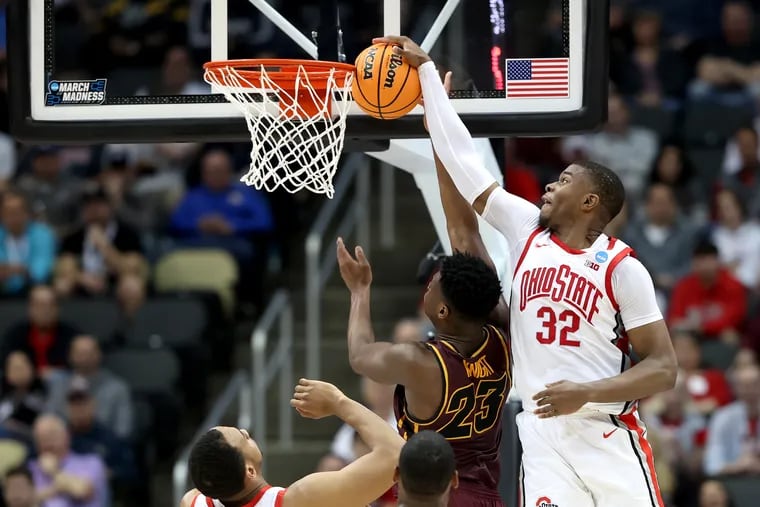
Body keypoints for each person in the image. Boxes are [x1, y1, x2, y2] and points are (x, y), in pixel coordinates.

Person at [375, 35, 678, 507]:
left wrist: (587, 392)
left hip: (604, 432)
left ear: (589, 202)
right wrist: (430, 82)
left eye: (565, 180)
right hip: (540, 436)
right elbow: (466, 166)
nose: (552, 184)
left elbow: (663, 368)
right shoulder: (526, 229)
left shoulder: (623, 267)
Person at [337, 231, 508, 506]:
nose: (426, 288)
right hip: (489, 497)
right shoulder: (501, 339)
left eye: (432, 286)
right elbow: (467, 239)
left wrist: (359, 291)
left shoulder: (419, 361)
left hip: (437, 494)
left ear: (442, 311)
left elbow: (359, 355)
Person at [180, 378, 404, 507]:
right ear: (249, 470)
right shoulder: (301, 499)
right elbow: (397, 455)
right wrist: (338, 402)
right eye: (243, 438)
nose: (246, 431)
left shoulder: (192, 502)